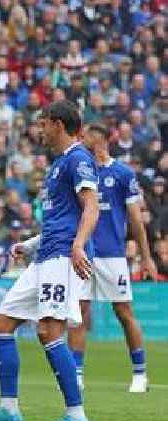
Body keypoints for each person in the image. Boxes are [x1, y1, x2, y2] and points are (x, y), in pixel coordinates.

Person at [0, 100, 99, 421]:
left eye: (42, 124)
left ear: (57, 124)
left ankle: (76, 415)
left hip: (63, 258)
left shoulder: (79, 159)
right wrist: (29, 245)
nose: (38, 130)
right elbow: (60, 219)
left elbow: (91, 208)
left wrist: (79, 245)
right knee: (0, 323)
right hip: (45, 255)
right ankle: (8, 410)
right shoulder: (59, 165)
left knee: (48, 331)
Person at [67, 123, 159, 393]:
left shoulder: (122, 173)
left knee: (123, 312)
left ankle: (140, 374)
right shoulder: (80, 171)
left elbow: (135, 220)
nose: (83, 141)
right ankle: (77, 374)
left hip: (112, 256)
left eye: (88, 138)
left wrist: (146, 256)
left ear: (102, 141)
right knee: (80, 312)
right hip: (84, 251)